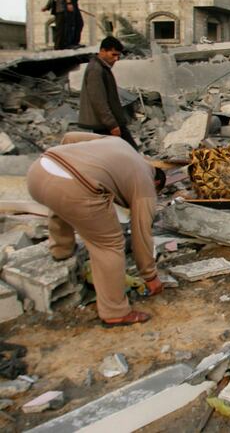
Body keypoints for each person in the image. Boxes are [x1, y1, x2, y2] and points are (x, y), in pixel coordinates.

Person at [26, 132, 165, 327]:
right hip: (72, 186)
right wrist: (150, 275)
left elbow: (69, 137)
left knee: (63, 201)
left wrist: (69, 159)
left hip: (38, 171)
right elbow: (141, 233)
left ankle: (61, 249)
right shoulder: (146, 184)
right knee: (109, 244)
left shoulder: (119, 144)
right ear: (156, 182)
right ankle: (115, 312)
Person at [78, 36, 137, 149]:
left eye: (118, 56)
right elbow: (98, 101)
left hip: (108, 122)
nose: (116, 59)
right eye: (113, 54)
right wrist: (112, 124)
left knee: (125, 151)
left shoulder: (102, 67)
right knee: (129, 150)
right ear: (102, 51)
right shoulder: (96, 69)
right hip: (104, 124)